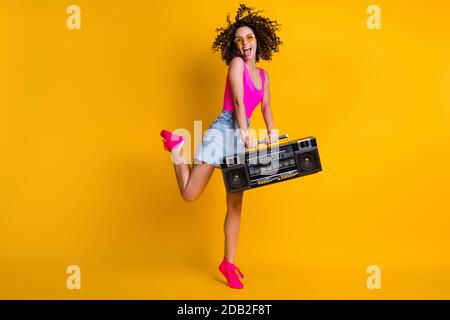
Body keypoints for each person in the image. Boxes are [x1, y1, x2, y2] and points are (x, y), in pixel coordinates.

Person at [160, 4, 282, 289]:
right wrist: (245, 133)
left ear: (258, 40)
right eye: (239, 40)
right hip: (224, 130)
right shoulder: (236, 64)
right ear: (234, 45)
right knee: (190, 194)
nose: (244, 44)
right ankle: (177, 148)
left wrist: (272, 132)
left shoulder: (264, 76)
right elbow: (239, 103)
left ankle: (228, 263)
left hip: (241, 135)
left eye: (249, 38)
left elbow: (265, 107)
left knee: (236, 205)